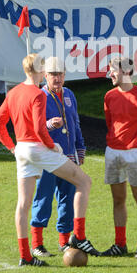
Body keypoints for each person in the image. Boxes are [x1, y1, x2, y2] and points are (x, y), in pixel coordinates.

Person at [0, 53, 99, 267]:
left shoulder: (13, 93)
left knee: (23, 204)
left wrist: (12, 148)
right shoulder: (38, 94)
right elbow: (41, 130)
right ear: (41, 71)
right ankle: (78, 236)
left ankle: (25, 256)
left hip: (22, 149)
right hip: (38, 148)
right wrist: (54, 147)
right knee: (84, 182)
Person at [101, 56, 137, 259]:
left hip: (136, 153)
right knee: (118, 200)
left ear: (125, 72)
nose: (110, 74)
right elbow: (111, 123)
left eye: (113, 70)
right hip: (113, 152)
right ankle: (120, 245)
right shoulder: (109, 96)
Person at [30, 56, 86, 257]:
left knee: (68, 198)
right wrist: (47, 125)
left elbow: (75, 123)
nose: (58, 78)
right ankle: (37, 243)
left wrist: (80, 147)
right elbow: (33, 128)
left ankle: (65, 241)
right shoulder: (39, 96)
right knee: (43, 197)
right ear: (45, 75)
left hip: (68, 157)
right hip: (47, 156)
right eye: (53, 74)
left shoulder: (69, 94)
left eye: (61, 74)